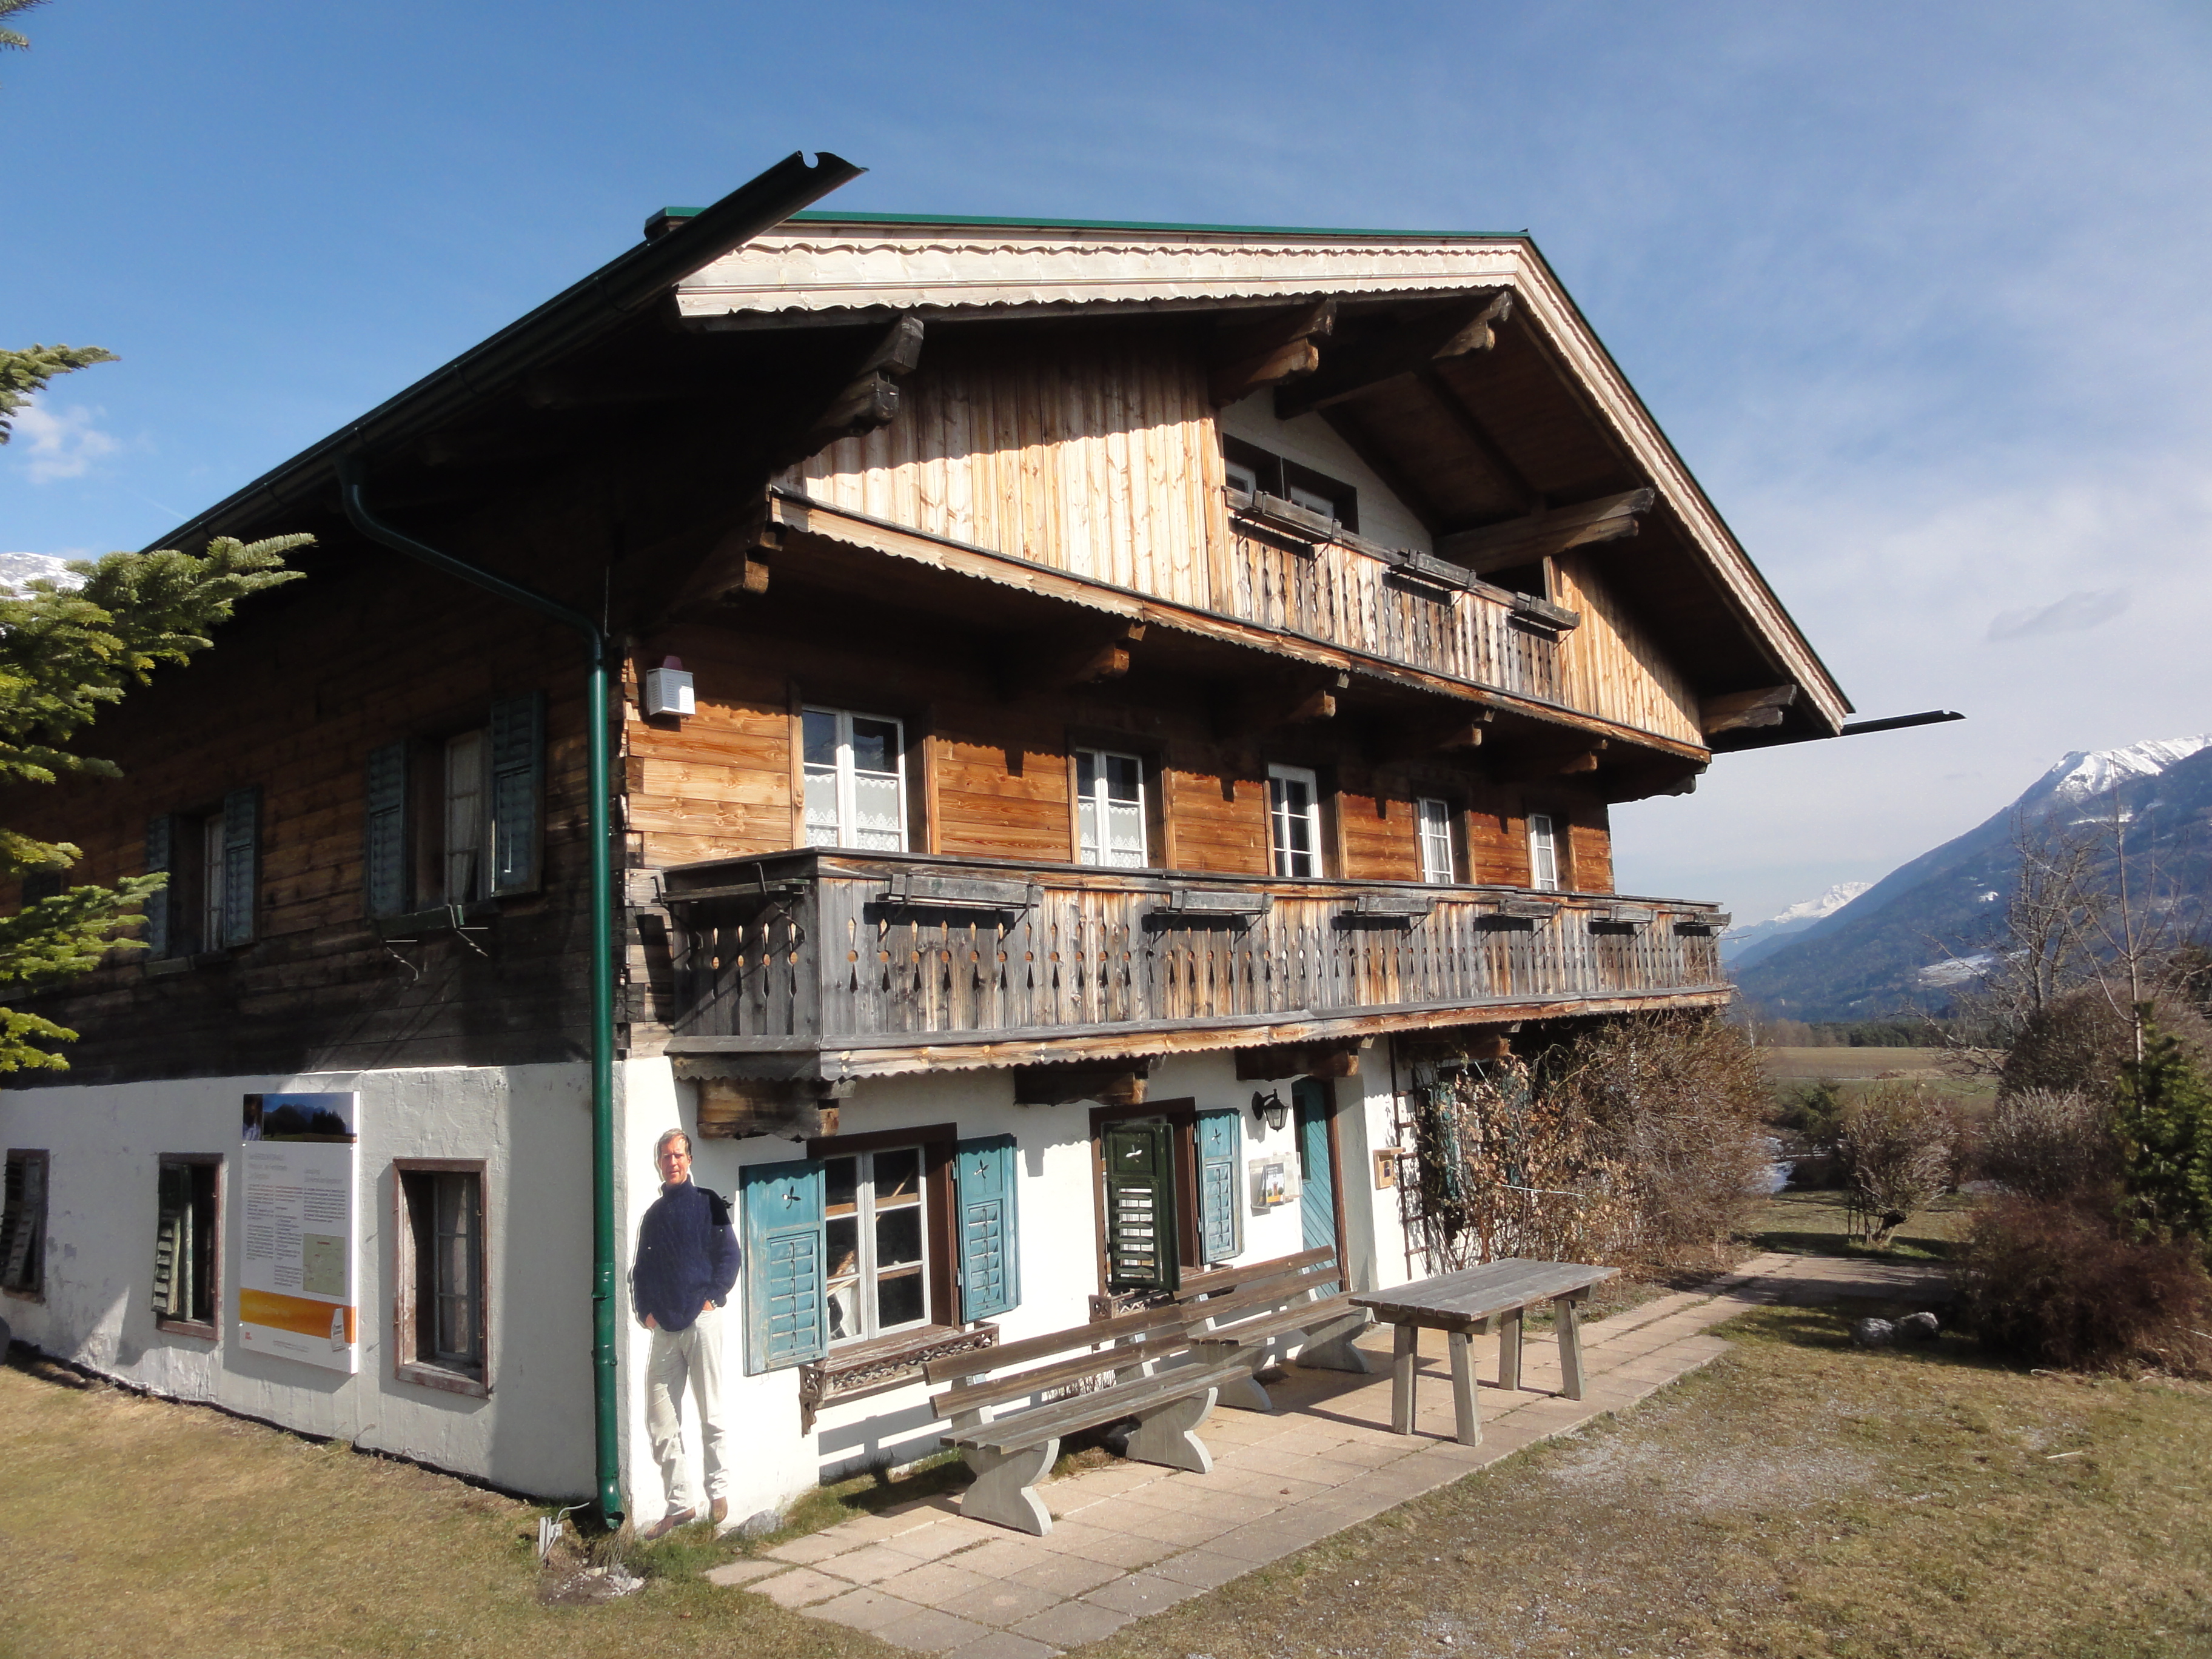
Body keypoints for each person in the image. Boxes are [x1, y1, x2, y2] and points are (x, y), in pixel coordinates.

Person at [631, 1127, 740, 1539]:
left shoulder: (708, 1202)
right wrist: (646, 1314)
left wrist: (713, 1297)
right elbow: (641, 1272)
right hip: (666, 1328)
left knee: (710, 1411)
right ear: (659, 1164)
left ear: (689, 1160)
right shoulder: (653, 1217)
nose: (672, 1162)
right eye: (665, 1157)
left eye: (678, 1155)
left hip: (701, 1320)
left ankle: (719, 1491)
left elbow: (729, 1255)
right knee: (660, 1417)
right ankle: (681, 1504)